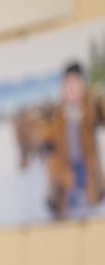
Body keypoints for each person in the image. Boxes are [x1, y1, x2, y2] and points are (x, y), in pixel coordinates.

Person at [45, 61, 105, 218]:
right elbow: (49, 132)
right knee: (67, 200)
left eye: (75, 82)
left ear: (83, 86)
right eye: (67, 83)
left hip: (87, 165)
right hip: (67, 167)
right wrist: (46, 143)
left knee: (90, 200)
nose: (71, 87)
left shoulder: (91, 107)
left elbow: (101, 115)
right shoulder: (58, 112)